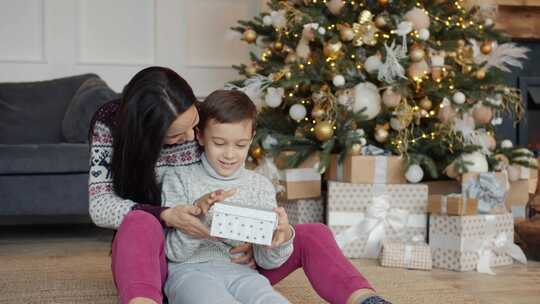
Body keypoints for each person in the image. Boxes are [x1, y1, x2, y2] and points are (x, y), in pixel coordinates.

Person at [88, 66, 389, 304]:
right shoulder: (116, 129)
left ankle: (364, 298)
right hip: (168, 262)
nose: (192, 139)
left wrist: (258, 236)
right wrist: (169, 215)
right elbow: (101, 206)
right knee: (141, 222)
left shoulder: (210, 126)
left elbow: (235, 167)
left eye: (195, 125)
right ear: (148, 134)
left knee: (312, 233)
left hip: (238, 266)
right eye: (177, 135)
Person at [161, 90, 294, 303]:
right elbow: (174, 253)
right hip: (190, 273)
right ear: (200, 136)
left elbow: (268, 262)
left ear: (251, 140)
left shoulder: (260, 186)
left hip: (244, 274)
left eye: (240, 145)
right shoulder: (178, 177)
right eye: (219, 143)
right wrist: (197, 217)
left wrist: (283, 236)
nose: (230, 154)